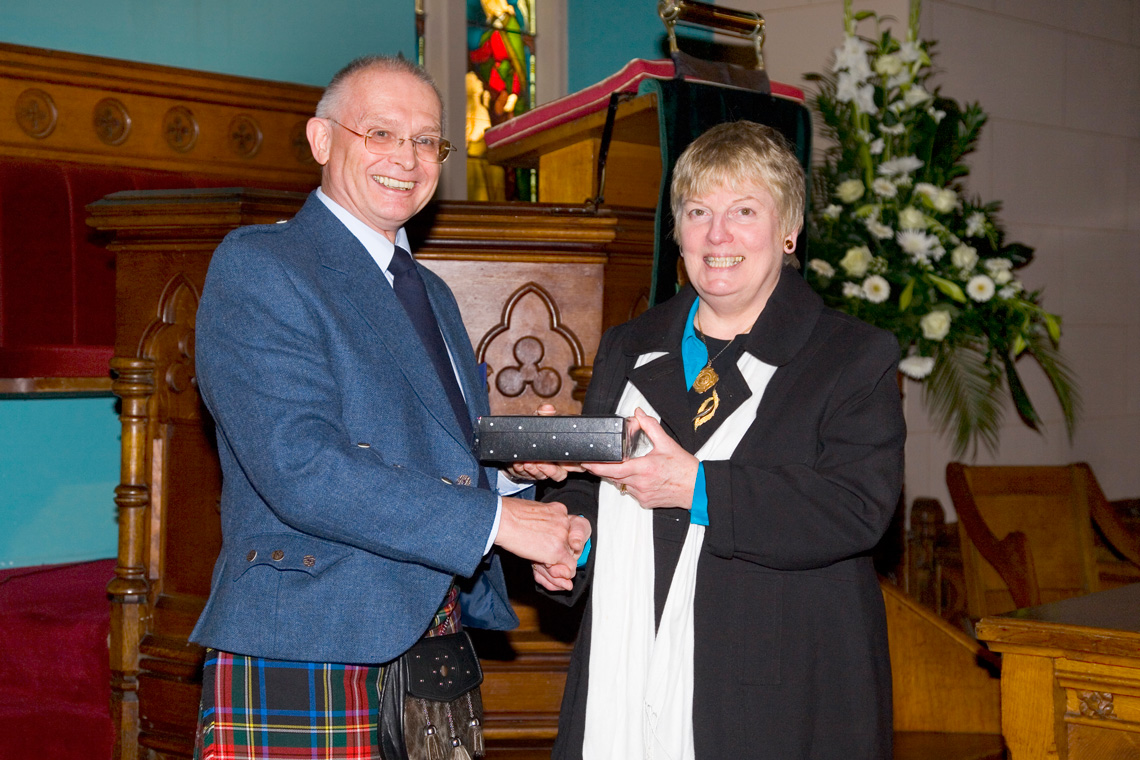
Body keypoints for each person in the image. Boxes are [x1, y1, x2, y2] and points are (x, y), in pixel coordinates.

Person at [189, 55, 587, 759]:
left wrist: (514, 478)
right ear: (321, 140)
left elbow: (437, 458)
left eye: (426, 140)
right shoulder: (263, 266)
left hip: (433, 652)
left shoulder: (427, 289)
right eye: (379, 133)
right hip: (310, 639)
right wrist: (499, 520)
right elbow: (301, 467)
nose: (407, 158)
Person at [519, 121, 905, 759]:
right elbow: (596, 493)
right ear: (678, 232)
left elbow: (855, 509)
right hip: (626, 667)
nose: (717, 235)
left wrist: (697, 488)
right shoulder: (629, 345)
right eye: (698, 212)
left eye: (744, 211)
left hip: (775, 691)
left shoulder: (851, 356)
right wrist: (572, 544)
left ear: (789, 231)